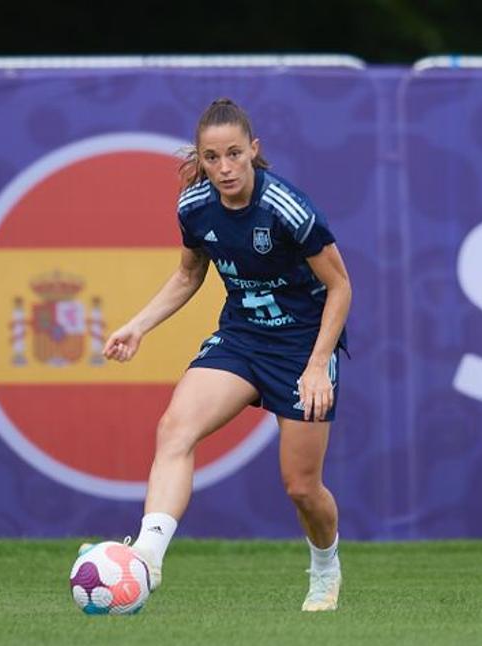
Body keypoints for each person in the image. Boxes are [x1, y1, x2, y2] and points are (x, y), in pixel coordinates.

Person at [101, 98, 353, 612]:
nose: (224, 167)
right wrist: (138, 325)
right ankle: (147, 557)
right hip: (241, 339)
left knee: (302, 488)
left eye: (234, 154)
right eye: (212, 157)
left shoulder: (288, 209)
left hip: (302, 346)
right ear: (201, 158)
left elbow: (341, 287)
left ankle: (325, 568)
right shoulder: (195, 206)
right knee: (175, 429)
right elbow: (189, 274)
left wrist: (315, 365)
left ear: (253, 151)